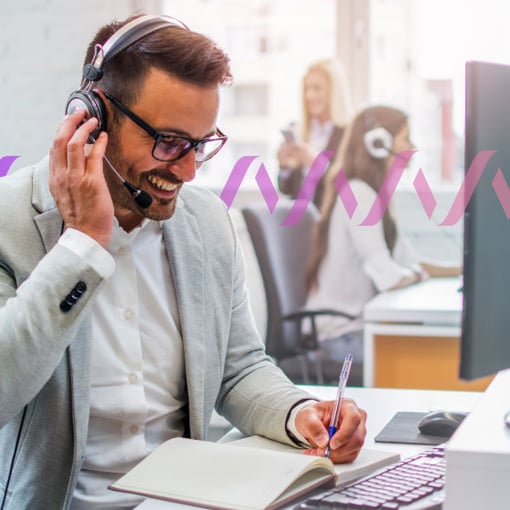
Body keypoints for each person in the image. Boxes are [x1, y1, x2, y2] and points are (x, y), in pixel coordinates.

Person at [0, 14, 367, 510]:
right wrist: (82, 245)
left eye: (201, 145)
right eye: (169, 142)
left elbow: (237, 369)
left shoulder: (206, 223)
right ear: (94, 118)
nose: (189, 171)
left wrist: (299, 412)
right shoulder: (9, 222)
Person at [304, 105, 461, 376]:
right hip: (340, 338)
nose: (412, 147)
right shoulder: (358, 194)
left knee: (440, 350)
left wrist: (461, 271)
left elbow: (408, 262)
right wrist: (415, 274)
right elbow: (388, 275)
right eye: (406, 138)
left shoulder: (377, 196)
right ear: (380, 144)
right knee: (434, 359)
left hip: (356, 330)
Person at [277, 58, 352, 208]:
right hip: (301, 221)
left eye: (317, 88)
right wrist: (285, 166)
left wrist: (317, 164)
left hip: (331, 221)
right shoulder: (299, 130)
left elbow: (349, 188)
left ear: (335, 91)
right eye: (306, 89)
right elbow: (287, 189)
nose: (309, 96)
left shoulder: (349, 133)